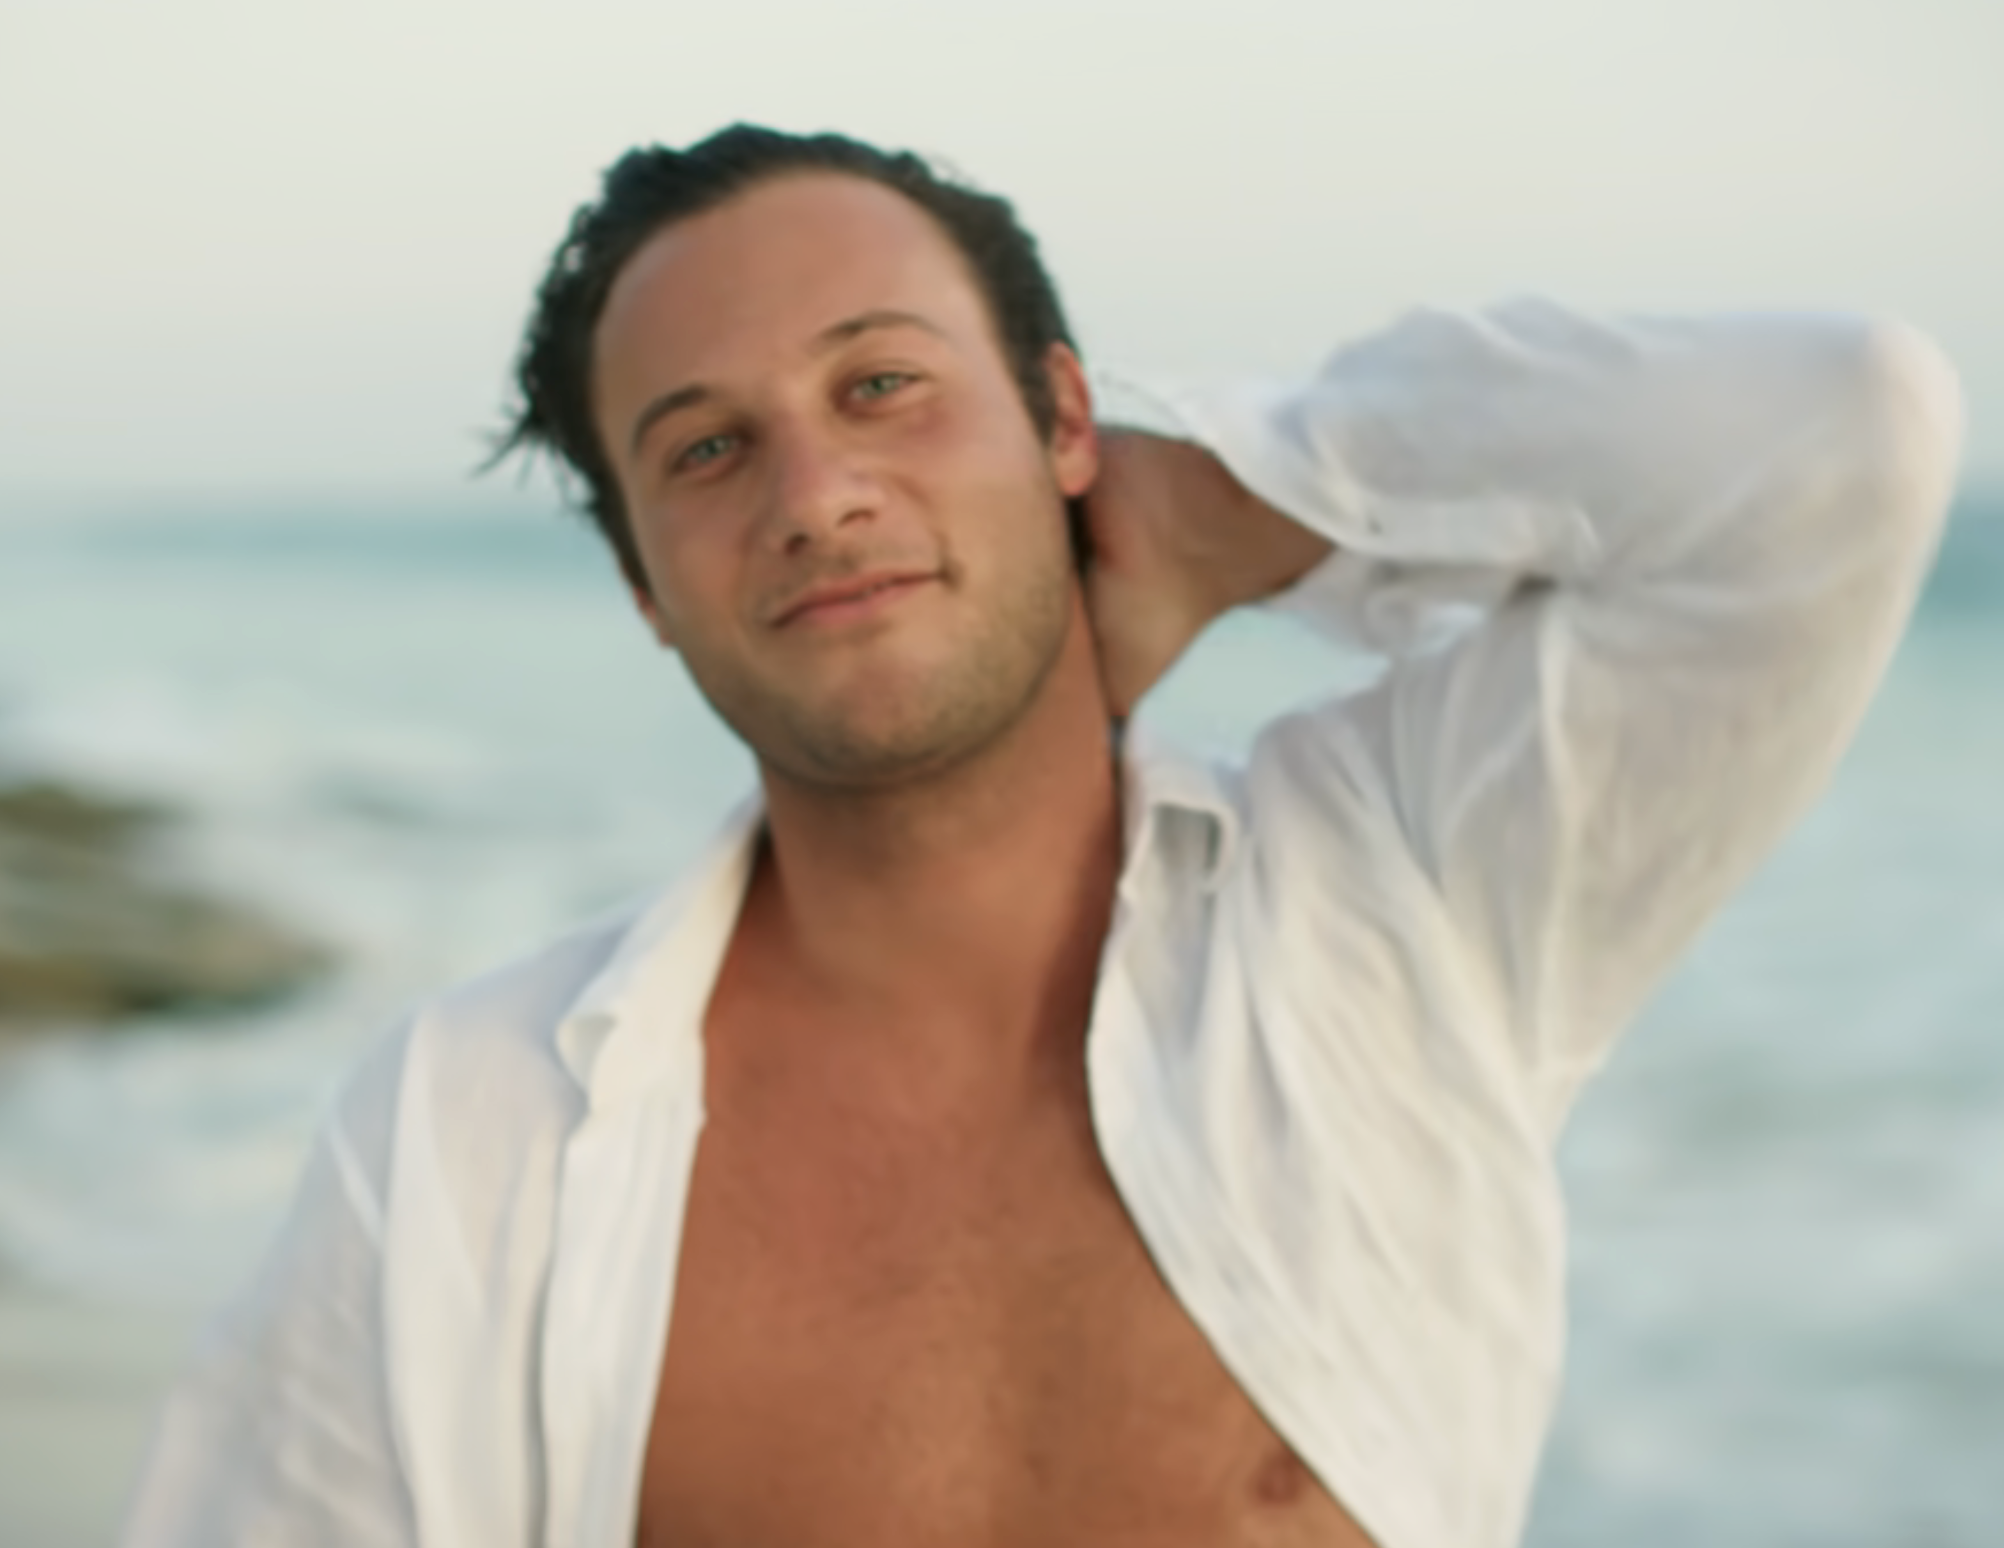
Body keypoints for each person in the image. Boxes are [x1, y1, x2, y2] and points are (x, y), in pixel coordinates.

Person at [120, 125, 1962, 1548]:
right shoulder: (464, 1136)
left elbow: (1840, 437)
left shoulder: (1401, 912)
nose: (819, 494)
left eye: (883, 385)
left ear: (1063, 417)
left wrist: (1233, 507)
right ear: (644, 589)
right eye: (702, 450)